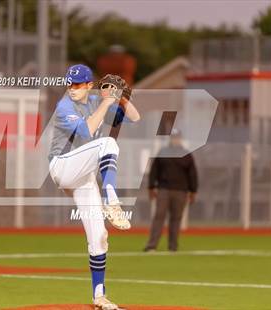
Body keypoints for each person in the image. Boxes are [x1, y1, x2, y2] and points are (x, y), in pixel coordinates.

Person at [48, 64, 140, 309]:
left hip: (84, 175)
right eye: (69, 83)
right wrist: (106, 103)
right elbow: (87, 130)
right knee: (107, 143)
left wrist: (120, 98)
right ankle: (112, 199)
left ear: (89, 85)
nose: (72, 88)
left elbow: (134, 117)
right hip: (62, 167)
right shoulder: (64, 106)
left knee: (99, 236)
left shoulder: (94, 103)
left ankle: (99, 295)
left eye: (77, 84)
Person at [144, 129, 198, 252]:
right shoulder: (163, 152)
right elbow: (154, 170)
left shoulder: (186, 154)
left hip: (181, 191)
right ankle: (152, 245)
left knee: (176, 219)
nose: (175, 140)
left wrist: (193, 191)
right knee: (159, 217)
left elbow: (192, 174)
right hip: (164, 190)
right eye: (173, 137)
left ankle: (173, 246)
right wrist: (151, 187)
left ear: (180, 138)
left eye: (177, 137)